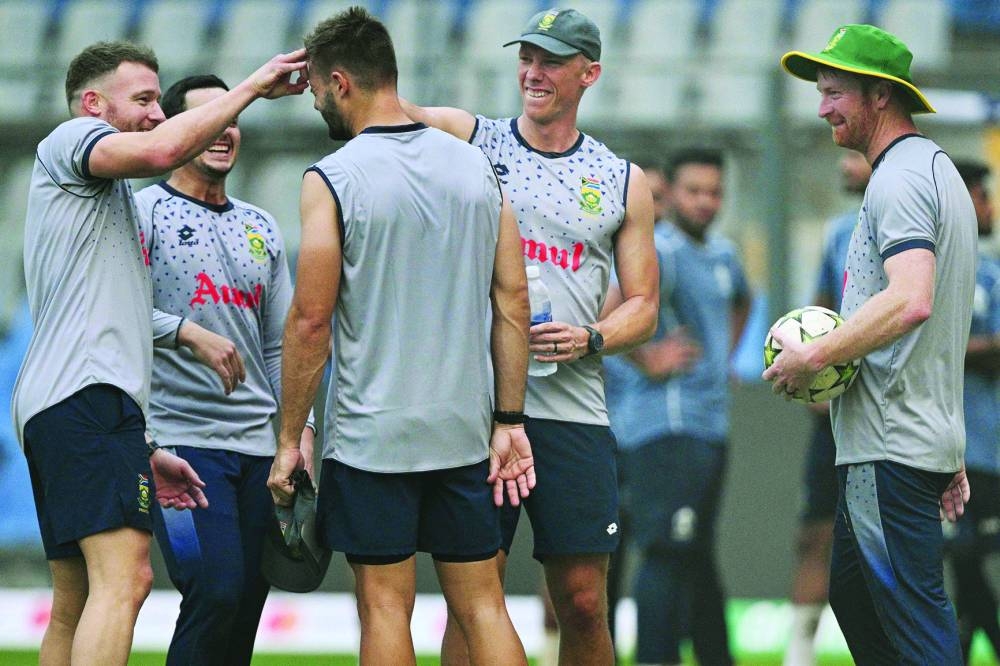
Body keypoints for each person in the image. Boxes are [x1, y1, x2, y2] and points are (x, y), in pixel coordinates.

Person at [9, 41, 306, 665]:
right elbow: (166, 150)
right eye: (144, 100)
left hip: (80, 406)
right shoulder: (71, 141)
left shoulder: (107, 199)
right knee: (128, 581)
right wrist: (252, 86)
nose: (154, 114)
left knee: (77, 597)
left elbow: (103, 311)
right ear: (93, 105)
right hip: (88, 400)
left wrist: (141, 448)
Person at [266, 8, 535, 665]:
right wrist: (509, 419)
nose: (319, 107)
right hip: (460, 431)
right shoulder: (477, 168)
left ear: (340, 82)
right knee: (482, 605)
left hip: (372, 437)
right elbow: (515, 300)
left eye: (320, 94)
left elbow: (309, 320)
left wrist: (290, 438)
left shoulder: (331, 178)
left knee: (386, 605)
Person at [401, 7, 659, 664]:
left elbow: (645, 309)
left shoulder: (623, 179)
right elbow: (387, 110)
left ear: (589, 72)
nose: (533, 71)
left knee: (580, 601)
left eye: (551, 60)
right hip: (482, 410)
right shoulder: (472, 138)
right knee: (472, 590)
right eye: (528, 57)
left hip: (573, 412)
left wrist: (592, 338)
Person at [767, 24, 976, 664]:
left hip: (890, 444)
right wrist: (947, 446)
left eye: (834, 92)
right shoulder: (935, 171)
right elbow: (942, 328)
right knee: (857, 602)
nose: (823, 106)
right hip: (910, 438)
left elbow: (912, 300)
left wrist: (815, 354)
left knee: (911, 621)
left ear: (880, 95)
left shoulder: (898, 180)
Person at [134, 74, 314, 666]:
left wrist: (300, 431)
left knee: (245, 608)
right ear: (178, 130)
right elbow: (115, 314)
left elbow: (281, 345)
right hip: (183, 445)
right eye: (209, 118)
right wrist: (184, 333)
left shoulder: (260, 226)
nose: (225, 130)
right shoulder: (142, 214)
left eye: (231, 118)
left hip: (258, 449)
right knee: (215, 592)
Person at [604, 148, 750, 666]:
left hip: (708, 422)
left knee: (696, 550)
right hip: (666, 426)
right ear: (673, 193)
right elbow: (608, 304)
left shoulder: (724, 255)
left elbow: (743, 302)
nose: (706, 202)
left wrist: (721, 357)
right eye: (694, 191)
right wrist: (648, 359)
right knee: (666, 552)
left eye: (715, 192)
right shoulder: (660, 249)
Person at [783, 150, 870, 666]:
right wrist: (817, 378)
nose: (841, 162)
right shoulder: (838, 232)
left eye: (853, 155)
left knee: (885, 537)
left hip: (887, 414)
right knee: (814, 530)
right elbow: (817, 308)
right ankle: (800, 652)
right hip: (836, 414)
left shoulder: (910, 218)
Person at [947, 159, 1000, 664]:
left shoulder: (992, 274)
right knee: (961, 558)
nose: (989, 206)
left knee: (968, 557)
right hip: (943, 444)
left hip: (986, 444)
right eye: (981, 194)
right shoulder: (924, 271)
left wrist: (943, 344)